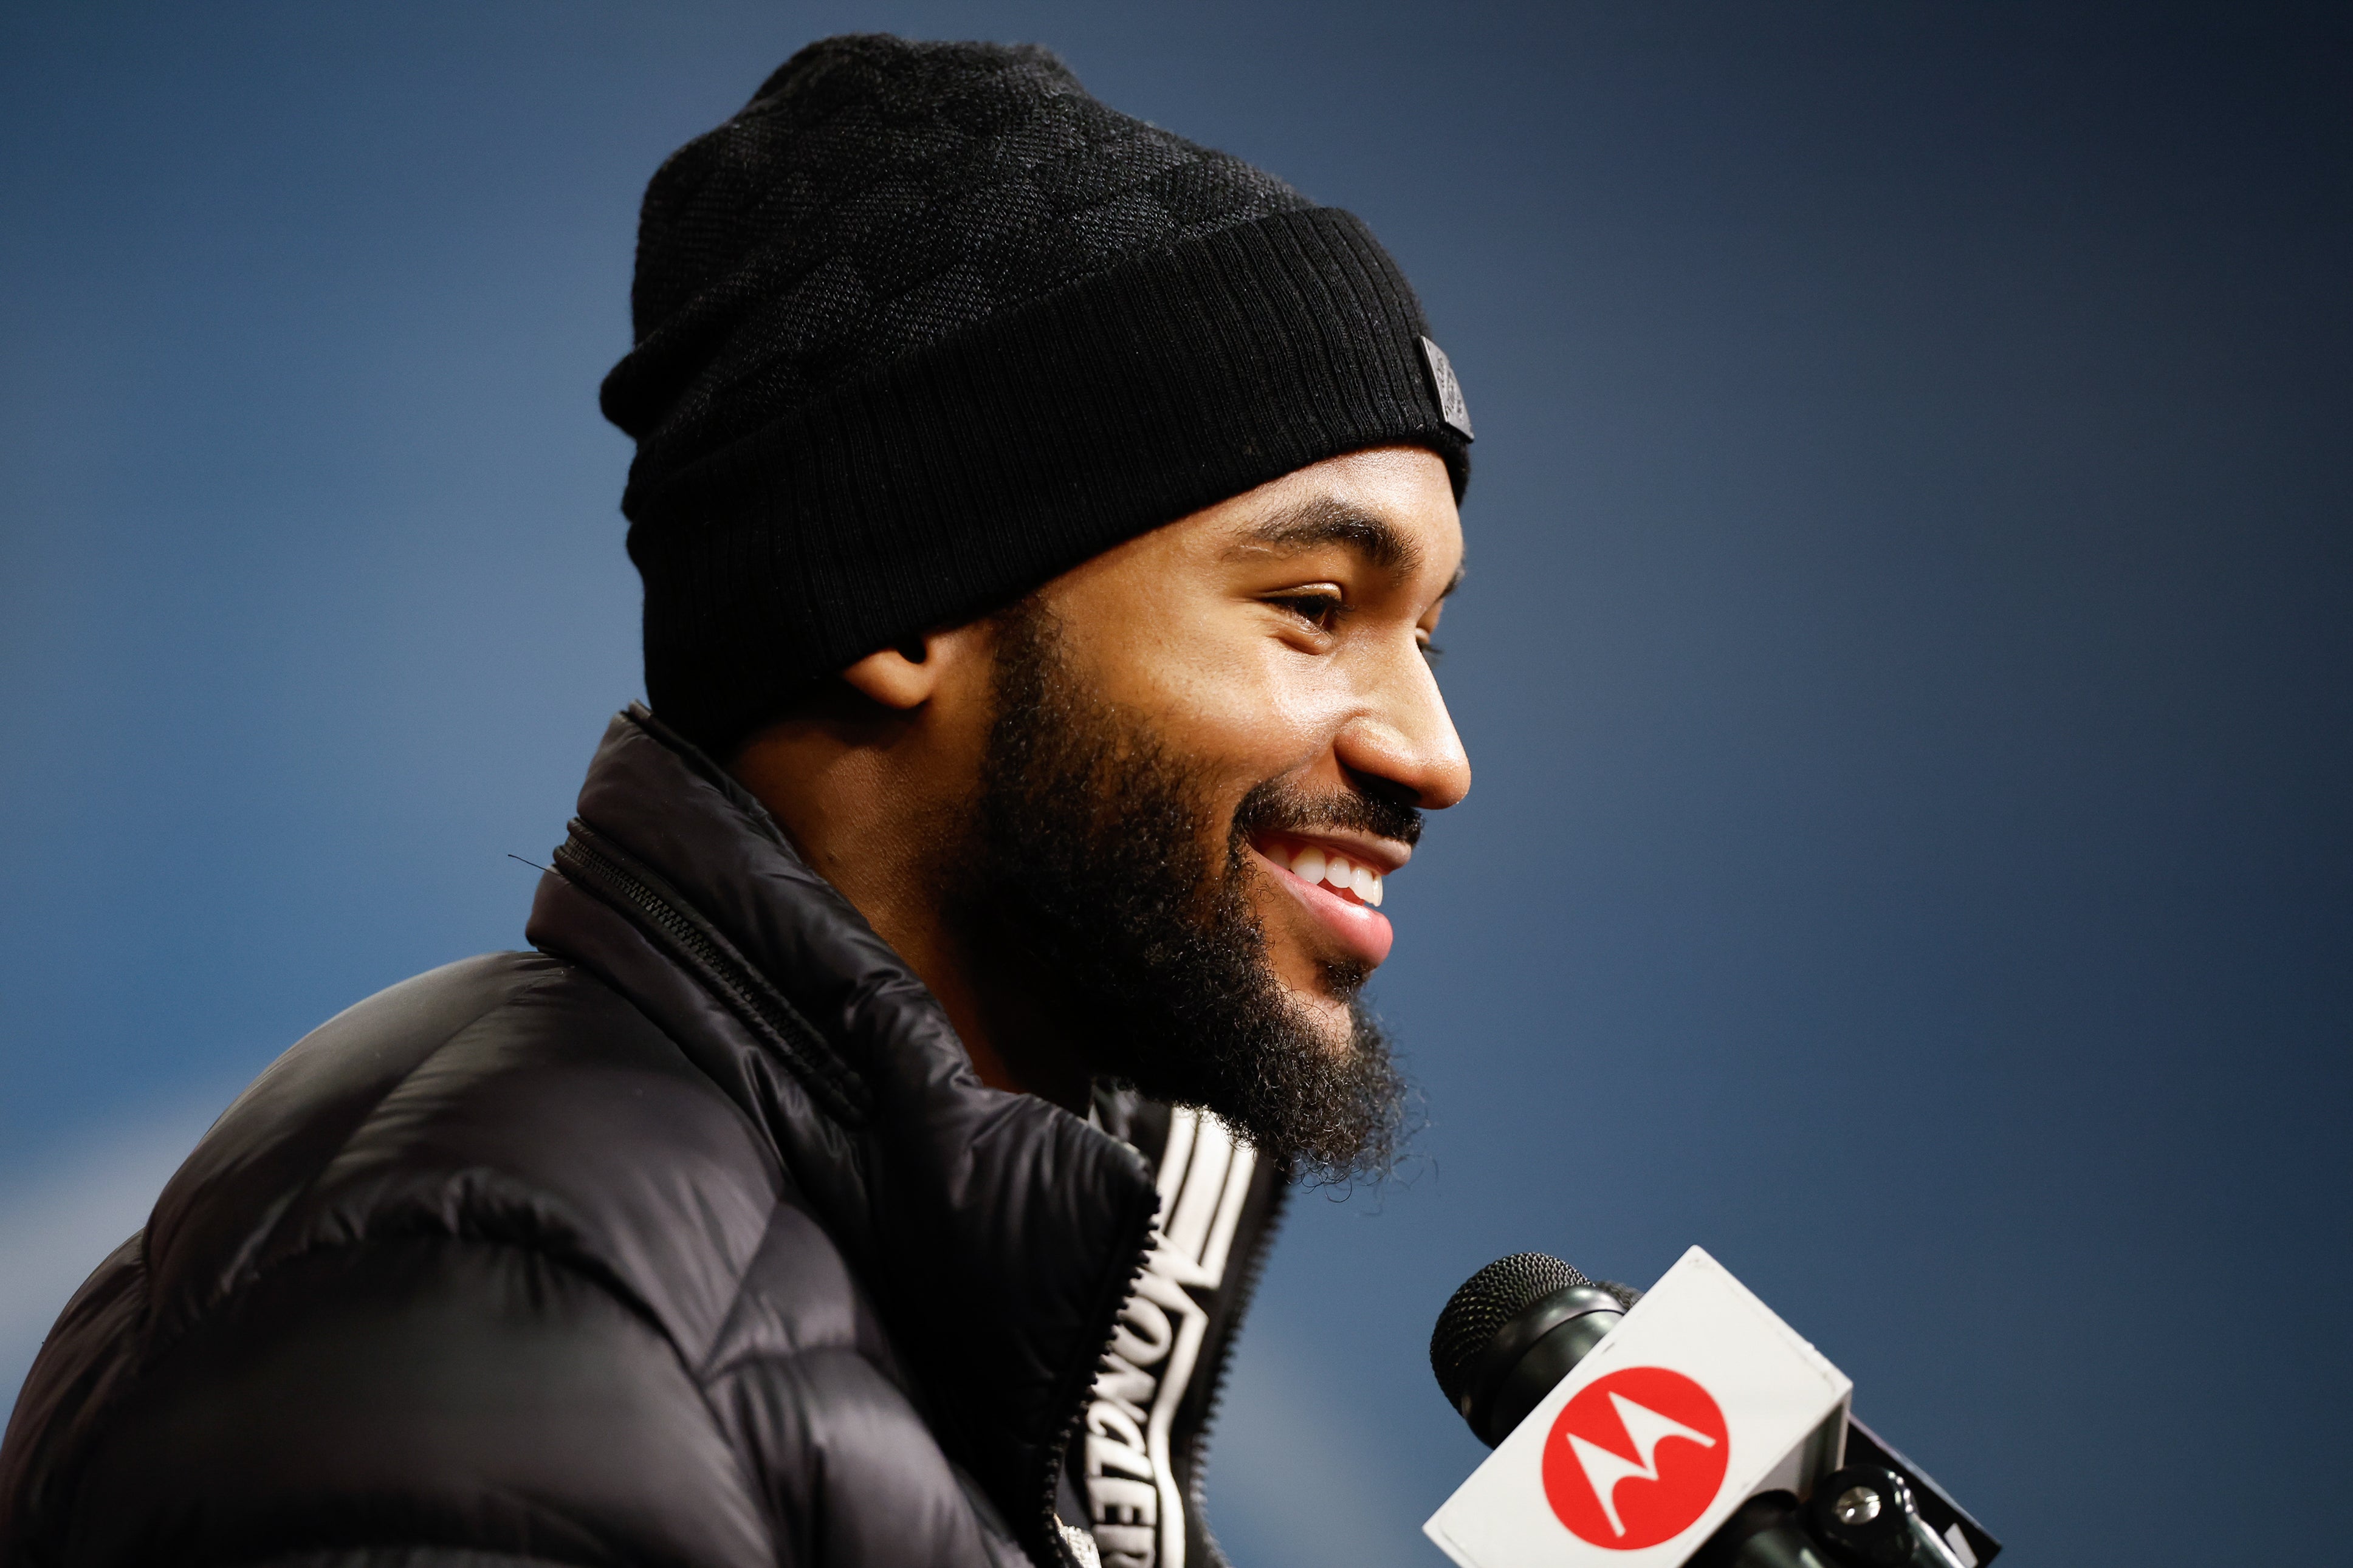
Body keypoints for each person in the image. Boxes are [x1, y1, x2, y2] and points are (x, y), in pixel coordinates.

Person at [0, 34, 1474, 1568]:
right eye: (1313, 604)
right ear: (905, 606)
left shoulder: (885, 1289)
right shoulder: (480, 1305)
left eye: (1426, 634)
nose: (1434, 754)